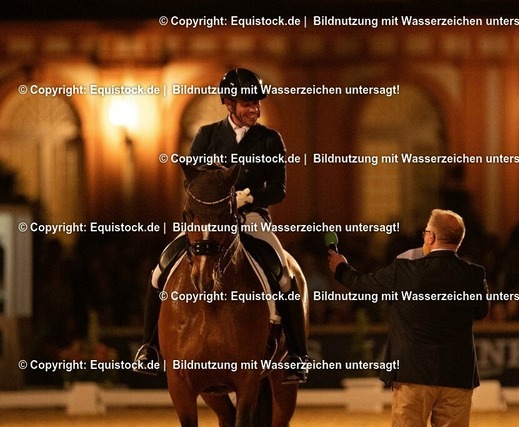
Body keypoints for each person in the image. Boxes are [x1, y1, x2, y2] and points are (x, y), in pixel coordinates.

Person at [134, 68, 309, 383]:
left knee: (283, 274)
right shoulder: (207, 135)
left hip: (251, 217)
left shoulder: (270, 139)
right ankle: (149, 347)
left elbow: (279, 190)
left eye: (256, 103)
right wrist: (214, 201)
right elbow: (193, 180)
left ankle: (297, 355)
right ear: (229, 104)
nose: (254, 109)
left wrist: (249, 198)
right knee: (160, 269)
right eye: (247, 103)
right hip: (210, 218)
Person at [327, 209, 489, 427]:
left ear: (431, 237)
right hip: (457, 375)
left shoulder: (405, 270)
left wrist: (340, 267)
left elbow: (362, 285)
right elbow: (481, 312)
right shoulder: (474, 274)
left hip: (412, 375)